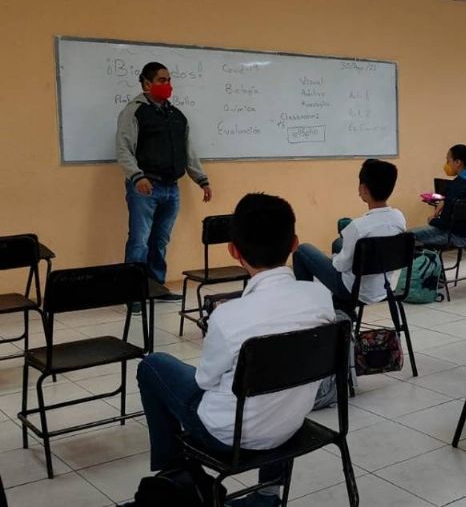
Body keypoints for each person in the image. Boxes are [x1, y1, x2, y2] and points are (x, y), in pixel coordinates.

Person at [136, 193, 335, 507]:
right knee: (277, 381)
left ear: (233, 250)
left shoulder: (228, 316)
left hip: (229, 438)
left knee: (153, 365)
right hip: (290, 426)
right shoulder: (321, 298)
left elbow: (203, 382)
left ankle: (176, 476)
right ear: (295, 244)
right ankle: (268, 496)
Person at [116, 61, 212, 309]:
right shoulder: (134, 112)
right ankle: (133, 294)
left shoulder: (176, 115)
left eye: (169, 80)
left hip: (172, 188)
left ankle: (155, 287)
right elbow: (123, 149)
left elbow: (188, 151)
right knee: (139, 241)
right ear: (147, 84)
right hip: (145, 187)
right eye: (162, 80)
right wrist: (138, 177)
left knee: (159, 241)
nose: (167, 85)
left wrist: (201, 179)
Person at [292, 159, 406, 309]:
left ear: (364, 189)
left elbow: (341, 266)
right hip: (385, 287)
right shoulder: (399, 218)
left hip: (354, 291)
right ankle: (339, 305)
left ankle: (307, 305)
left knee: (302, 250)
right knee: (339, 243)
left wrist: (334, 258)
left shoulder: (357, 227)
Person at [410, 144, 466, 246]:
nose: (447, 164)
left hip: (455, 235)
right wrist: (445, 200)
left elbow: (445, 224)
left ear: (457, 162)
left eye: (448, 161)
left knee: (407, 237)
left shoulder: (456, 187)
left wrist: (433, 220)